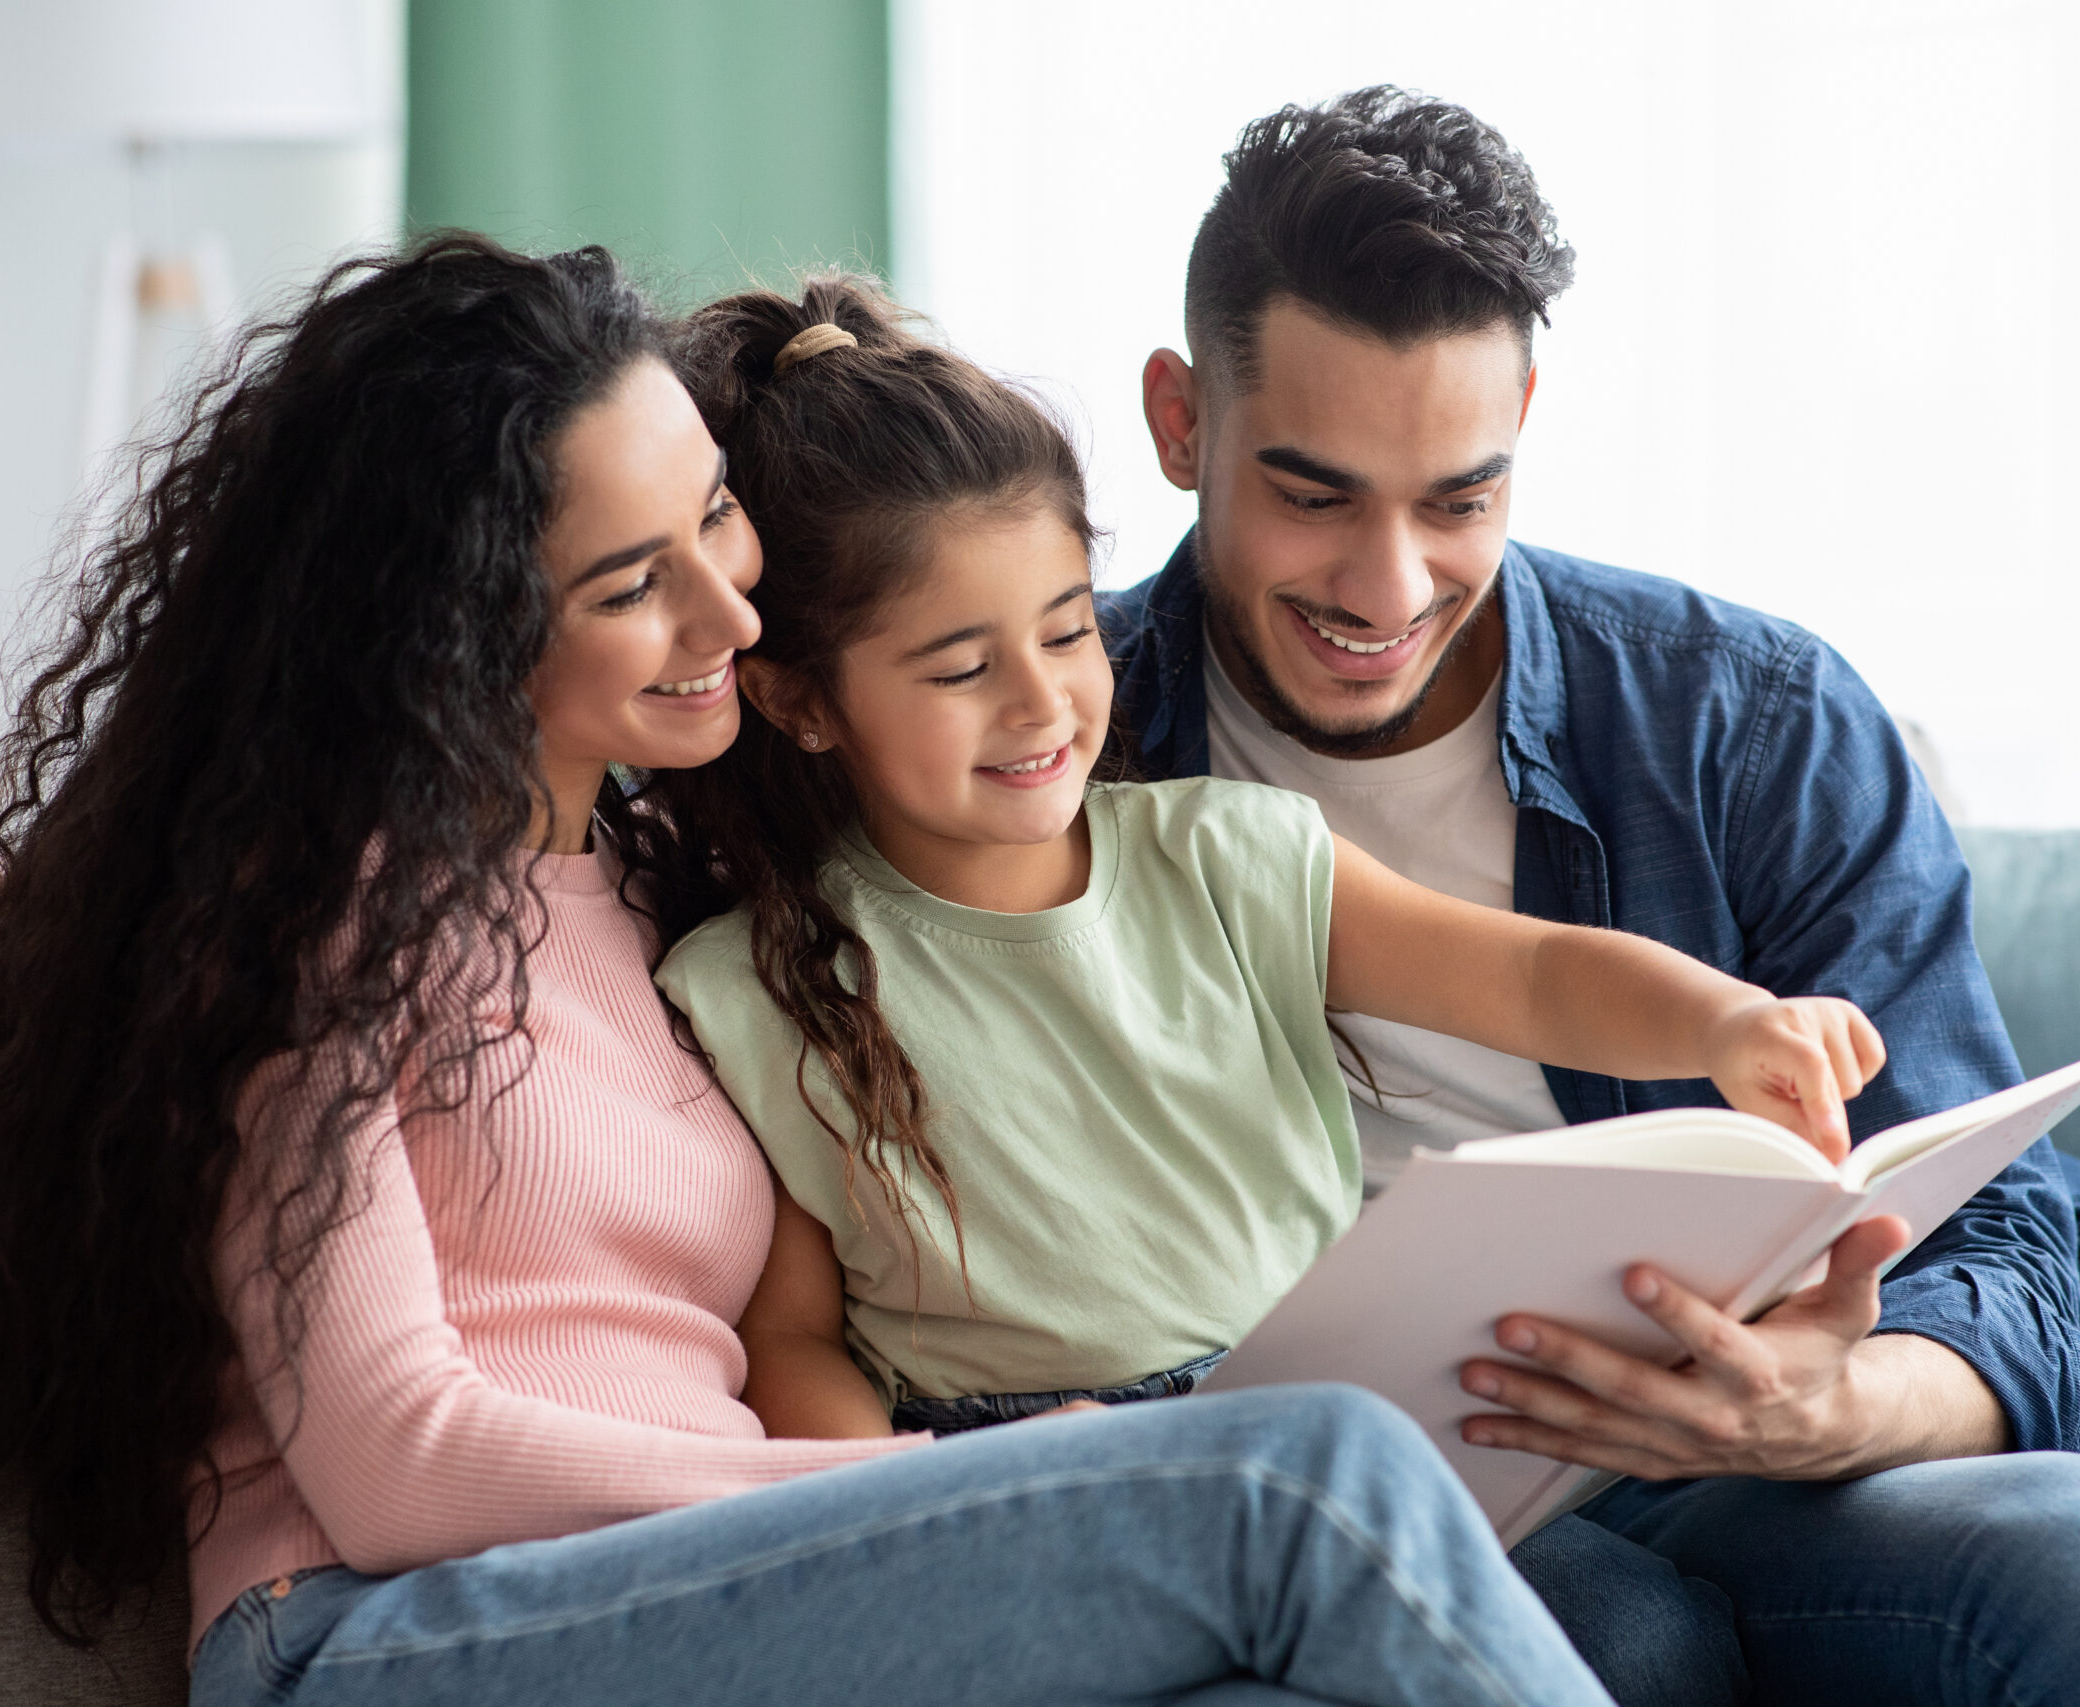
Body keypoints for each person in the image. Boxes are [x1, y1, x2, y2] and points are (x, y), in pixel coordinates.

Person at [0, 235, 1617, 1707]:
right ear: (452, 625)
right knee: (1311, 1476)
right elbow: (401, 1457)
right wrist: (918, 1479)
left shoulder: (660, 882)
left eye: (719, 525)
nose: (732, 616)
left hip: (680, 1595)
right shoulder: (303, 923)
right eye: (634, 583)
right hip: (380, 1635)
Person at [1098, 85, 2080, 1704]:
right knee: (2072, 1560)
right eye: (1313, 495)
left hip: (1821, 1389)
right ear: (1184, 422)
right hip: (1454, 1481)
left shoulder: (1747, 712)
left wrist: (1837, 1407)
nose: (1388, 590)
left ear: (1525, 411)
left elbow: (1986, 1215)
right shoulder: (1036, 743)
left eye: (1460, 499)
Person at [634, 275, 1883, 1444]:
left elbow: (1535, 980)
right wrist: (938, 1506)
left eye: (1069, 631)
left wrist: (1726, 1027)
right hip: (1014, 1461)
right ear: (799, 699)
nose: (1041, 702)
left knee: (1638, 1633)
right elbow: (788, 1343)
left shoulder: (1230, 856)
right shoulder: (753, 987)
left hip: (1317, 1414)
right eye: (961, 669)